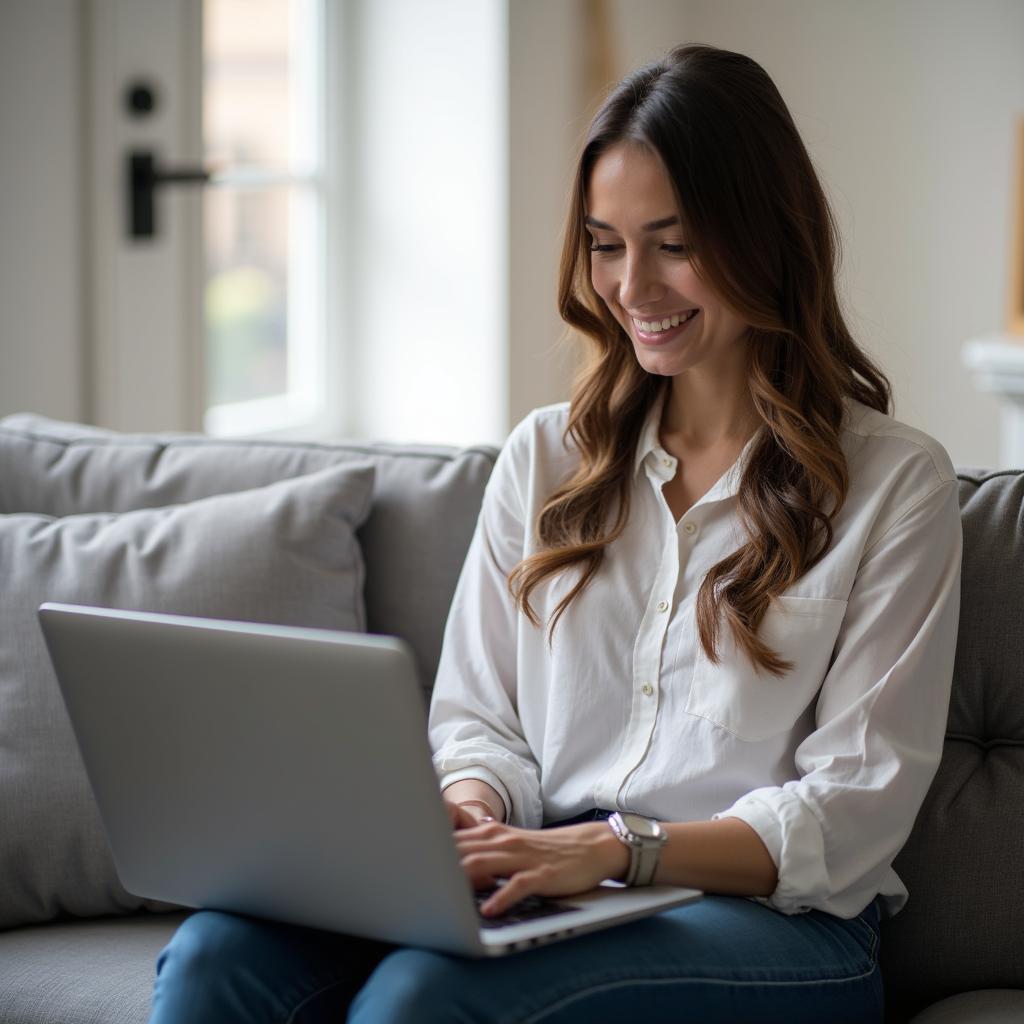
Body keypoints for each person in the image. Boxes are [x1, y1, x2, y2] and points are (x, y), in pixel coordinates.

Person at [148, 43, 962, 1023]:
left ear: (764, 237)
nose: (631, 287)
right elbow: (478, 720)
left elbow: (851, 810)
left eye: (672, 242)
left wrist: (616, 847)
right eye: (605, 243)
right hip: (554, 867)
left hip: (777, 924)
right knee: (214, 960)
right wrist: (476, 813)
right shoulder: (545, 456)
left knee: (425, 997)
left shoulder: (893, 483)